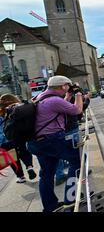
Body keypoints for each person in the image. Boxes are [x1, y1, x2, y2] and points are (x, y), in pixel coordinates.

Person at [26, 75, 84, 212]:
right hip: (51, 140)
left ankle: (50, 207)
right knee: (78, 158)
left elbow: (59, 108)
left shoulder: (40, 97)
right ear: (63, 86)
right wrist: (79, 95)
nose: (68, 88)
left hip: (36, 142)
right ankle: (72, 198)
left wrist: (69, 96)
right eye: (68, 86)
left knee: (46, 173)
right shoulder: (53, 100)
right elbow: (77, 110)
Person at [0, 94, 37, 183]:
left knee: (12, 158)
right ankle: (29, 167)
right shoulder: (17, 108)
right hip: (19, 135)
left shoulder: (1, 111)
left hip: (5, 139)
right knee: (24, 151)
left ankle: (21, 177)